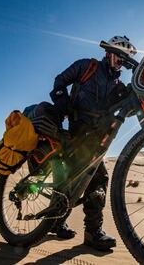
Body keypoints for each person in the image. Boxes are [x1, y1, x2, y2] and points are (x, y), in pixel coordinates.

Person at [48, 35, 137, 251]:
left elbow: (127, 108)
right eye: (119, 56)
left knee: (73, 177)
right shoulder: (87, 66)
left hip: (96, 136)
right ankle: (92, 232)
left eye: (125, 60)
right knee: (96, 176)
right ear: (108, 53)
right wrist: (63, 103)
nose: (121, 62)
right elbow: (60, 82)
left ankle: (56, 222)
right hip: (78, 129)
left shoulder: (117, 84)